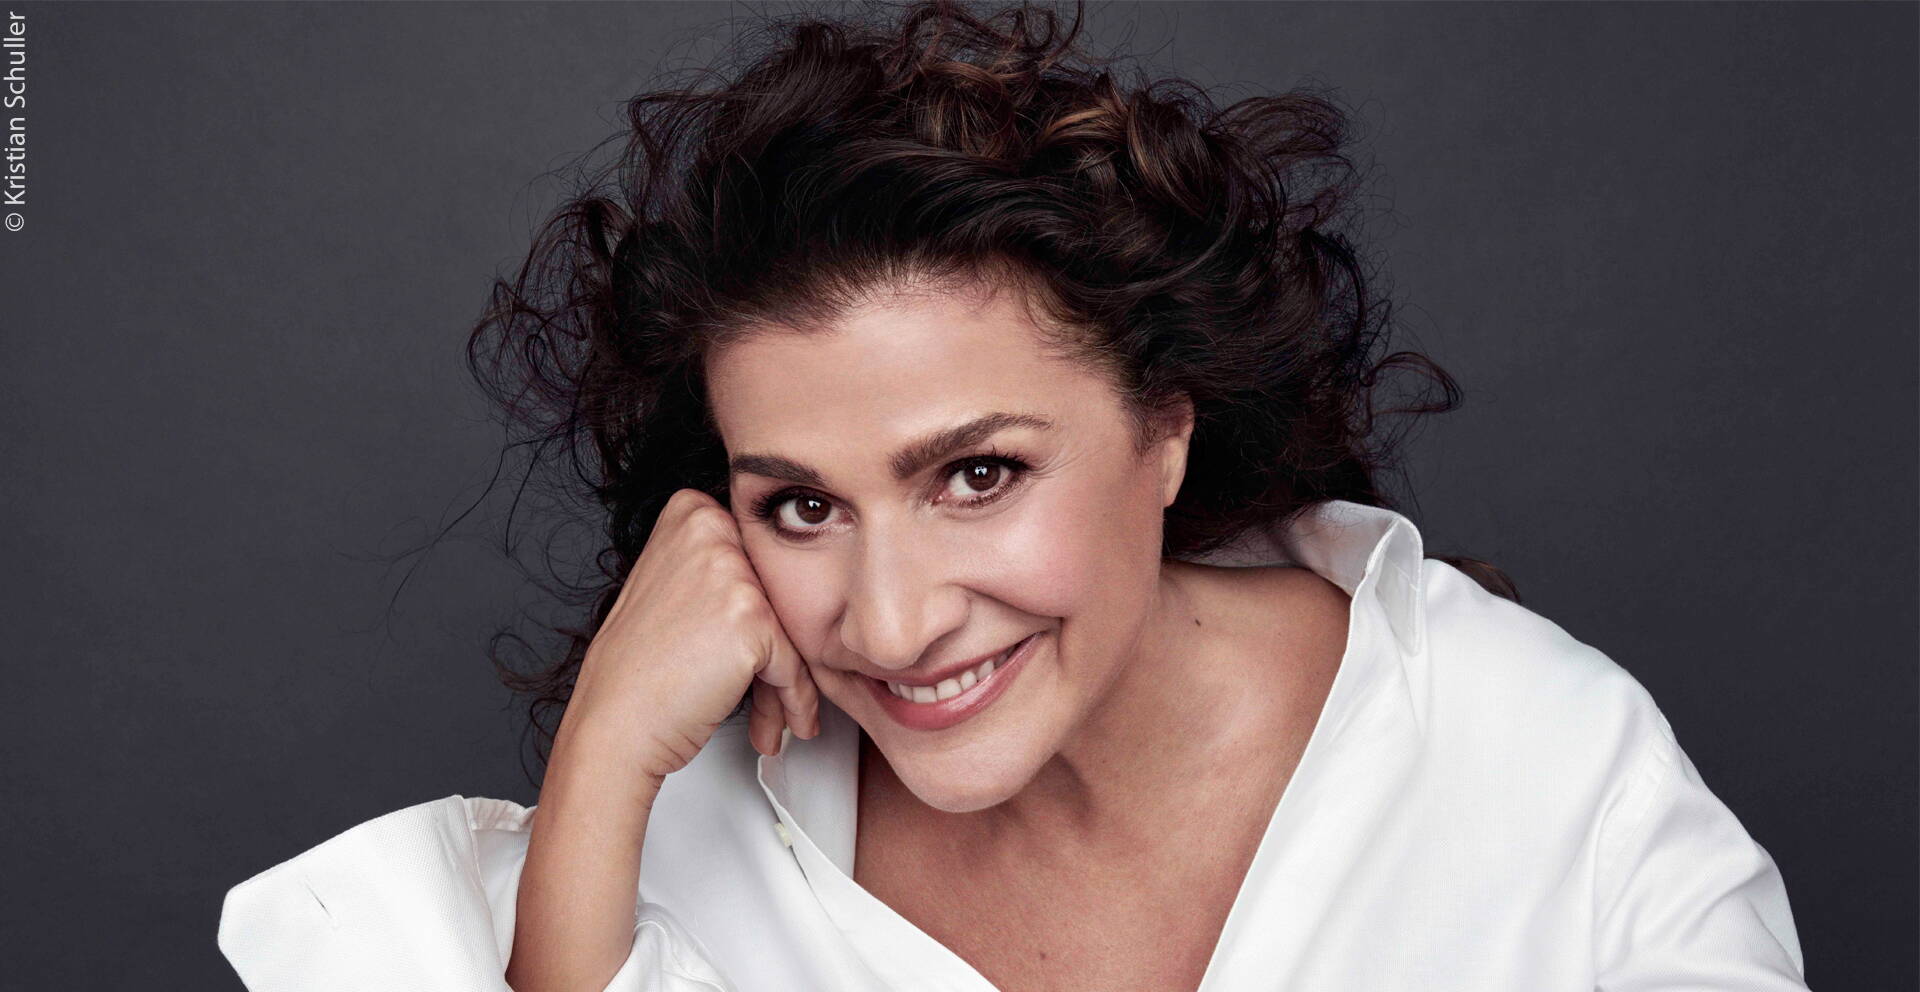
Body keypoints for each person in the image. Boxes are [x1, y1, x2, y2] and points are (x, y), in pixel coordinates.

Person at [215, 2, 1811, 990]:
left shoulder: (1547, 776)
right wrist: (599, 772)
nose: (892, 624)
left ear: (1166, 428)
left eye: (976, 475)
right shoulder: (692, 828)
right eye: (799, 507)